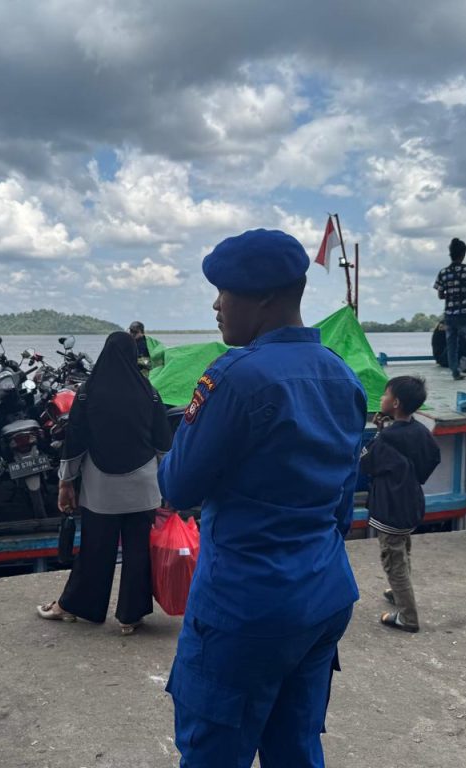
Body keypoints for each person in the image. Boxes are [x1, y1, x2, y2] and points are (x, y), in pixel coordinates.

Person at [159, 228, 367, 768]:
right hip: (323, 593)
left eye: (224, 292)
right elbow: (342, 504)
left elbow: (178, 487)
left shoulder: (234, 377)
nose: (216, 305)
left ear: (265, 298)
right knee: (296, 746)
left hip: (245, 604)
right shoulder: (343, 377)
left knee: (213, 754)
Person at [36, 331, 172, 634]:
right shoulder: (148, 392)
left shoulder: (88, 393)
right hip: (143, 487)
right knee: (139, 553)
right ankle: (130, 616)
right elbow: (163, 443)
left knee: (95, 550)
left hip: (101, 489)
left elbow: (75, 442)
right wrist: (170, 483)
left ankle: (74, 606)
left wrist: (66, 483)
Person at [360, 376, 440, 634]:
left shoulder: (387, 438)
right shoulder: (420, 431)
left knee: (393, 561)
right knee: (403, 549)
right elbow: (432, 457)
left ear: (395, 403)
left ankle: (408, 617)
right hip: (411, 502)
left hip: (390, 507)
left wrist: (375, 435)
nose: (382, 398)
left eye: (385, 395)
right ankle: (398, 593)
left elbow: (367, 463)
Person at [433, 237, 466, 382]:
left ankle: (455, 373)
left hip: (449, 314)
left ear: (450, 254)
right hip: (465, 313)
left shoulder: (443, 273)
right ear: (463, 254)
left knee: (451, 344)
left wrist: (451, 295)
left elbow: (440, 295)